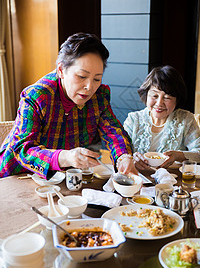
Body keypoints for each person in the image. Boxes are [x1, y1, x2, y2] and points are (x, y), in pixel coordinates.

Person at [0, 32, 136, 179]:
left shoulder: (99, 96)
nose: (89, 87)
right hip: (17, 174)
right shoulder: (37, 96)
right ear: (61, 70)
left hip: (63, 176)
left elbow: (113, 131)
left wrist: (124, 157)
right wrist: (66, 157)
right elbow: (22, 148)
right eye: (82, 77)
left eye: (97, 79)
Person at [124, 65, 200, 170]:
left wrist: (178, 155)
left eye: (167, 98)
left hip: (173, 180)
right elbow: (121, 152)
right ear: (146, 95)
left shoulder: (186, 120)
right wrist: (132, 158)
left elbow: (198, 153)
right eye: (154, 96)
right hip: (138, 178)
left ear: (177, 100)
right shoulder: (133, 120)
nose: (159, 103)